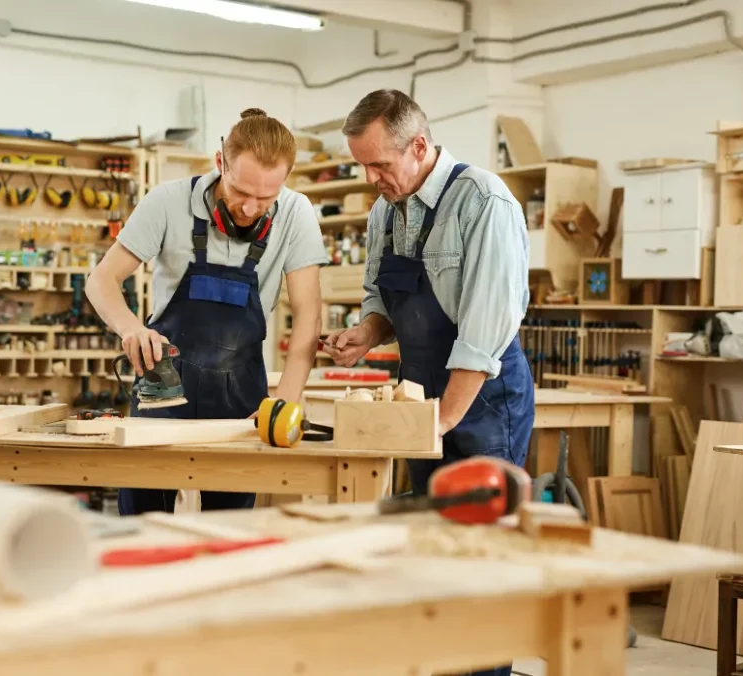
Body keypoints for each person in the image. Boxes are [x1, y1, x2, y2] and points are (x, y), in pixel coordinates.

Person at [326, 90, 533, 676]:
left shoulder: (484, 201)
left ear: (418, 146)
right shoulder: (383, 211)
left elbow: (483, 330)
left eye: (379, 165)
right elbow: (382, 297)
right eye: (360, 165)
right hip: (419, 392)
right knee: (429, 547)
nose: (370, 179)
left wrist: (443, 420)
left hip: (484, 398)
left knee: (482, 554)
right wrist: (366, 332)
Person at [86, 108, 328, 515]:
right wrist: (130, 328)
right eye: (241, 192)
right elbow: (101, 281)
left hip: (241, 401)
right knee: (145, 528)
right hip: (163, 389)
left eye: (266, 198)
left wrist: (287, 398)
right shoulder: (167, 201)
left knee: (229, 529)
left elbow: (308, 313)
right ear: (220, 163)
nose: (251, 208)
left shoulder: (296, 212)